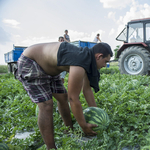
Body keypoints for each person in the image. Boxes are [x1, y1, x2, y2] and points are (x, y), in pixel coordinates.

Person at [15, 41, 113, 150]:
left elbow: (87, 90)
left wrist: (97, 114)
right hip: (31, 62)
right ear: (98, 56)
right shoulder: (80, 60)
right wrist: (83, 125)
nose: (105, 65)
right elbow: (73, 98)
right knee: (47, 105)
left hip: (51, 69)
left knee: (63, 98)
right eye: (105, 61)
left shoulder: (87, 60)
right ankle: (51, 147)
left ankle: (69, 130)